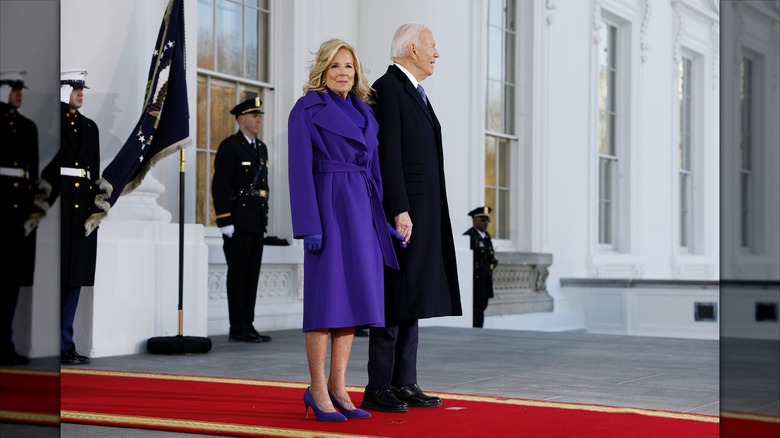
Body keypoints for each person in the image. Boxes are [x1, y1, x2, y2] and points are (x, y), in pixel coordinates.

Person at [288, 38, 402, 422]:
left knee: (351, 302)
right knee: (326, 302)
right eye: (336, 66)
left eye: (349, 67)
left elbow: (374, 172)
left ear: (357, 73)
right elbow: (299, 171)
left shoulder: (365, 112)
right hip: (329, 207)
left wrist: (382, 220)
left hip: (362, 211)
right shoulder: (306, 109)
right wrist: (308, 225)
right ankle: (317, 389)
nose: (343, 73)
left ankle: (339, 387)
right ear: (323, 69)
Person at [362, 23, 462, 413]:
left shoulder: (415, 93)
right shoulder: (388, 90)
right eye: (432, 46)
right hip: (403, 214)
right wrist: (398, 208)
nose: (437, 54)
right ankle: (379, 385)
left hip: (424, 210)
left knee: (413, 294)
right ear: (411, 50)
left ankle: (404, 381)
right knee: (394, 295)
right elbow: (388, 155)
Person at [211, 97, 272, 344]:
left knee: (251, 275)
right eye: (254, 115)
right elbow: (220, 185)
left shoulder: (261, 148)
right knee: (237, 275)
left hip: (256, 221)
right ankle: (237, 326)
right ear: (241, 119)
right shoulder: (230, 146)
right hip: (236, 222)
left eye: (260, 115)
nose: (259, 119)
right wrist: (224, 220)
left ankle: (249, 323)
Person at [59, 69, 100, 365]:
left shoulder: (90, 127)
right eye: (75, 87)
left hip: (81, 211)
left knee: (75, 280)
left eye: (82, 88)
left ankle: (66, 343)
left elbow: (93, 171)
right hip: (58, 208)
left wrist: (97, 207)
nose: (80, 93)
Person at [0, 69, 38, 365]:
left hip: (17, 214)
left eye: (20, 88)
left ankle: (5, 343)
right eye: (13, 87)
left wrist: (30, 212)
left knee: (11, 281)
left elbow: (33, 174)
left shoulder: (28, 127)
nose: (19, 92)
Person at [464, 206, 498, 328]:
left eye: (487, 220)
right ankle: (475, 329)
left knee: (483, 305)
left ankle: (480, 328)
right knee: (475, 307)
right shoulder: (470, 236)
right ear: (474, 220)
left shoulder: (487, 236)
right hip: (475, 279)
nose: (486, 223)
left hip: (485, 278)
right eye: (482, 220)